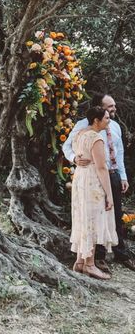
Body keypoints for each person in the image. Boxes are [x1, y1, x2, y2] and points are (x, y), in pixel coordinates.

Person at [63, 93, 135, 271]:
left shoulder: (115, 126)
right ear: (99, 108)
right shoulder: (84, 125)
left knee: (115, 214)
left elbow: (118, 153)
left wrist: (123, 176)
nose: (114, 109)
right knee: (96, 215)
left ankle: (121, 253)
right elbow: (66, 145)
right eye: (110, 107)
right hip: (94, 175)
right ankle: (98, 257)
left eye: (114, 106)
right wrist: (74, 158)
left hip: (113, 174)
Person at [69, 106, 117, 279]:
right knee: (91, 219)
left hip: (80, 179)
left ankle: (79, 262)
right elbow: (102, 168)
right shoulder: (96, 138)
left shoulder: (80, 134)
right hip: (91, 182)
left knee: (83, 217)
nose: (108, 120)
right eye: (106, 118)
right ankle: (89, 264)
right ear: (96, 120)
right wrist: (109, 195)